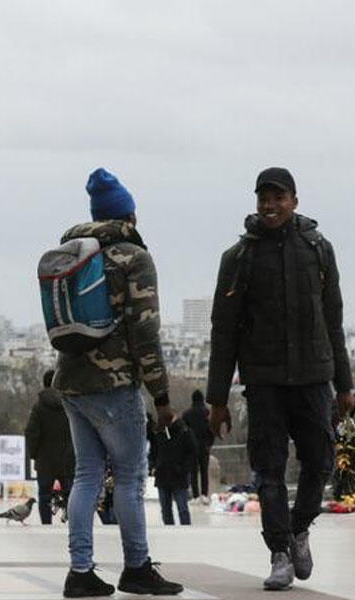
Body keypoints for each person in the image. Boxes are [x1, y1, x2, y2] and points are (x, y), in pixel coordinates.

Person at [207, 167, 354, 591]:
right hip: (265, 381)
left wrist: (344, 385)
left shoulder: (318, 250)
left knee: (321, 462)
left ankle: (298, 528)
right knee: (268, 470)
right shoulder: (238, 259)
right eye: (263, 199)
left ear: (294, 200)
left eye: (278, 198)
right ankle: (278, 552)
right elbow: (224, 331)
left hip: (313, 377)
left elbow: (333, 319)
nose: (269, 206)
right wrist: (218, 399)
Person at [54, 168, 183, 597]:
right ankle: (137, 567)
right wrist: (161, 396)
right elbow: (144, 331)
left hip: (71, 379)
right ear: (129, 214)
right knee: (129, 476)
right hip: (115, 382)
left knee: (86, 475)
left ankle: (80, 571)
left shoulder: (73, 252)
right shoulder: (134, 257)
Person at [25, 369, 74, 525]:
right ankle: (73, 523)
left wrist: (34, 455)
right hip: (69, 458)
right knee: (72, 494)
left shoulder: (39, 407)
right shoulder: (70, 404)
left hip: (45, 459)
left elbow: (32, 433)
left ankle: (46, 524)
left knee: (44, 495)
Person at [151, 416, 196, 525]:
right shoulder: (159, 434)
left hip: (178, 475)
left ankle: (186, 530)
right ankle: (170, 530)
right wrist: (154, 465)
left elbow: (192, 452)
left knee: (182, 509)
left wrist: (184, 469)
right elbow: (153, 452)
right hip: (163, 475)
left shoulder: (184, 433)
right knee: (166, 510)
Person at [182, 389, 213, 503]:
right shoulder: (208, 413)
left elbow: (183, 432)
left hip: (191, 447)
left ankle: (195, 495)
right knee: (204, 471)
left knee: (193, 472)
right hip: (204, 445)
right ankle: (204, 494)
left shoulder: (186, 414)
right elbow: (212, 430)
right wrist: (210, 443)